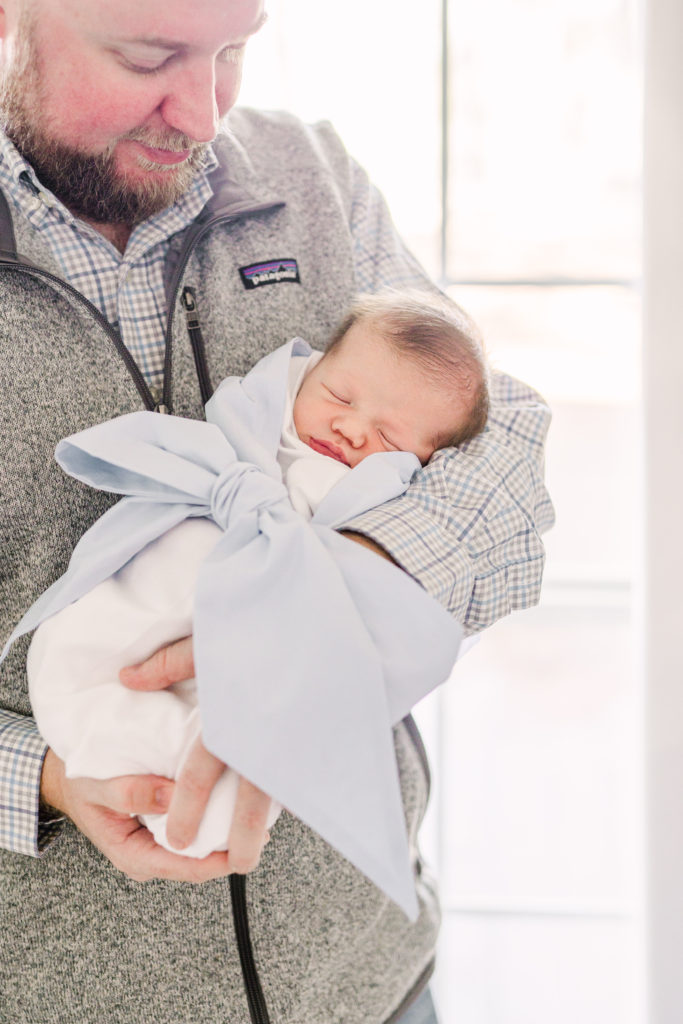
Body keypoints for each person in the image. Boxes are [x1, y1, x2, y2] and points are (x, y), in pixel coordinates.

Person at [0, 1, 554, 1021]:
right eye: (147, 55)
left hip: (371, 989)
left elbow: (502, 446)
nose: (204, 113)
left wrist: (335, 594)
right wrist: (44, 773)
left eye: (234, 50)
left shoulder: (309, 177)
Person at [25, 288, 490, 863]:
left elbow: (498, 478)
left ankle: (189, 787)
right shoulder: (254, 425)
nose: (350, 429)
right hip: (153, 587)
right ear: (310, 369)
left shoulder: (374, 498)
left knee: (231, 758)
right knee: (82, 665)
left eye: (389, 439)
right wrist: (38, 777)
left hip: (338, 911)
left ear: (425, 461)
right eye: (338, 395)